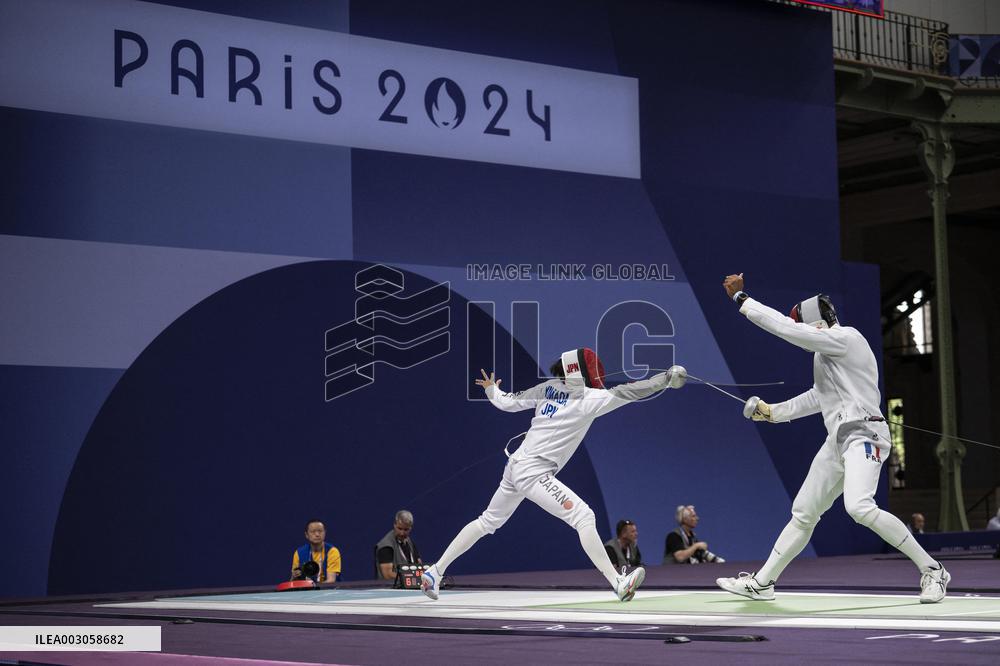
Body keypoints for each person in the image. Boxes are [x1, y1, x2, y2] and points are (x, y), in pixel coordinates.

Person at [715, 274, 950, 603]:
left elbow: (787, 329)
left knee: (859, 506)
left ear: (817, 324)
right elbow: (817, 398)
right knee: (804, 512)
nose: (805, 332)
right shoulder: (825, 357)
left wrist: (742, 300)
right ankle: (762, 583)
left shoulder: (846, 338)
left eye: (806, 326)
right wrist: (772, 412)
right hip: (838, 441)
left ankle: (933, 570)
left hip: (865, 435)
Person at [420, 348, 687, 602]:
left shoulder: (547, 389)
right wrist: (665, 379)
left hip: (516, 466)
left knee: (487, 522)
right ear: (578, 372)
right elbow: (629, 391)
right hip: (533, 472)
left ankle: (435, 572)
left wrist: (492, 389)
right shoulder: (587, 400)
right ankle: (618, 583)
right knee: (584, 516)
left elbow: (508, 403)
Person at [375, 510, 422, 580]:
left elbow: (419, 564)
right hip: (390, 589)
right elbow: (387, 575)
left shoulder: (410, 542)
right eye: (399, 528)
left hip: (409, 586)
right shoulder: (386, 546)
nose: (402, 533)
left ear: (410, 528)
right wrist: (410, 577)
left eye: (406, 530)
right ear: (394, 525)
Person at [291, 519, 341, 583]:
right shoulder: (299, 553)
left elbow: (331, 581)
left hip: (330, 591)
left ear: (325, 533)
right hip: (307, 591)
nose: (317, 534)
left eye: (320, 531)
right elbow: (294, 581)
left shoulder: (332, 551)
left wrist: (314, 589)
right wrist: (293, 577)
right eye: (313, 531)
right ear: (306, 535)